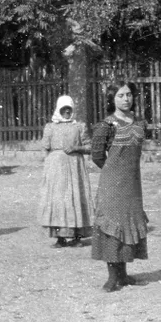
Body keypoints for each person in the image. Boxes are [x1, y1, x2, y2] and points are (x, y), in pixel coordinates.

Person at [91, 81, 149, 291]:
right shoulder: (106, 125)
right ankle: (112, 277)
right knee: (113, 226)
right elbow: (97, 156)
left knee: (127, 224)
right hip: (112, 185)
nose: (126, 99)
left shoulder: (140, 123)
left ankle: (123, 275)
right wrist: (113, 173)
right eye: (121, 95)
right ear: (112, 99)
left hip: (132, 185)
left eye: (129, 95)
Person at [38, 95, 93, 248]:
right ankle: (60, 238)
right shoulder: (50, 127)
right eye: (64, 109)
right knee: (59, 201)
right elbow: (44, 147)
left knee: (75, 199)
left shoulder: (79, 126)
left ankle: (77, 237)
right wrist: (48, 166)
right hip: (56, 170)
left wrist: (77, 148)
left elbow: (89, 147)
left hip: (75, 168)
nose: (67, 112)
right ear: (58, 109)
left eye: (69, 109)